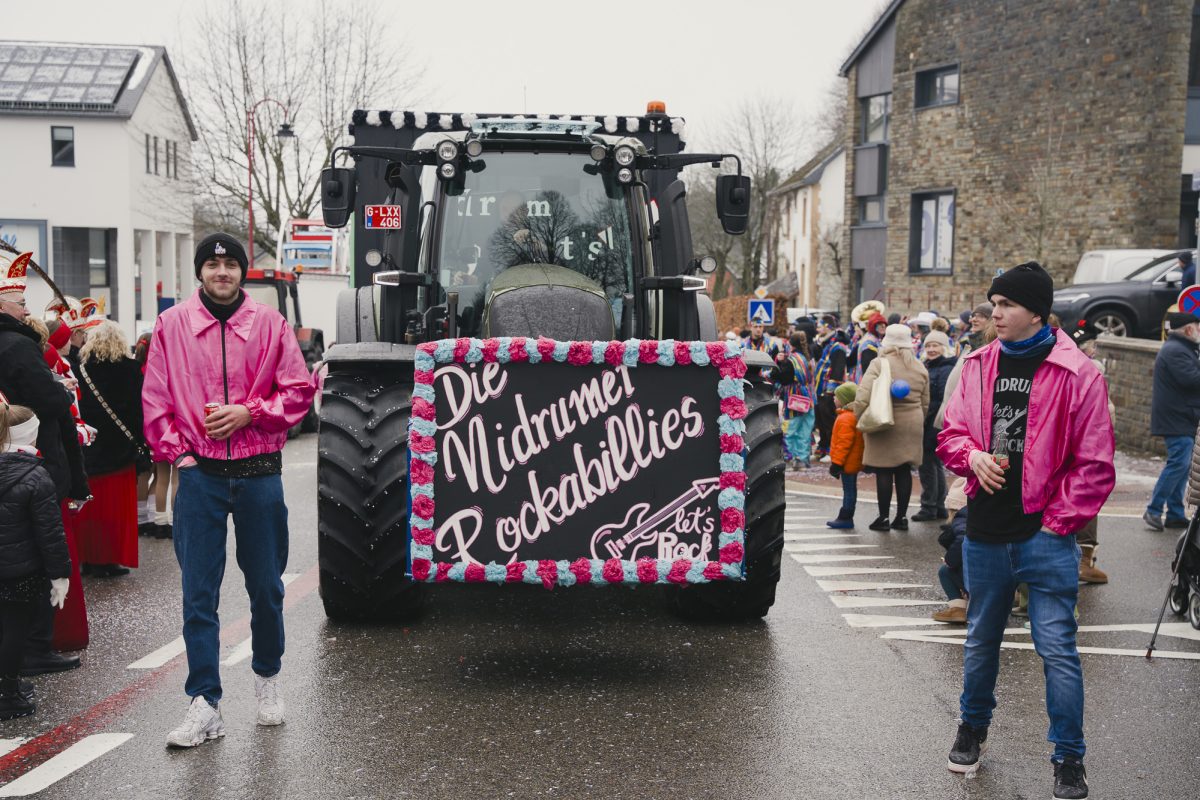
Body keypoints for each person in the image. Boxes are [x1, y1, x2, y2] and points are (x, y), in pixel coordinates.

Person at [937, 261, 1114, 799]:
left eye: (1007, 304)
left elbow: (1095, 464)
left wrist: (1055, 524)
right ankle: (971, 730)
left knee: (1057, 649)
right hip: (985, 533)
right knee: (980, 641)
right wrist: (972, 458)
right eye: (993, 303)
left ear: (1037, 311)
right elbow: (950, 434)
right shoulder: (976, 364)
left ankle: (1068, 760)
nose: (996, 313)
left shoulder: (1078, 372)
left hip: (1045, 536)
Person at [143, 233, 314, 748]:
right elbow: (156, 399)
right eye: (213, 264)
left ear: (243, 271)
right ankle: (204, 704)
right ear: (200, 272)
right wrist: (182, 455)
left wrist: (250, 412)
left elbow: (299, 390)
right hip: (201, 477)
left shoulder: (270, 324)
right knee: (199, 592)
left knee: (265, 585)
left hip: (260, 471)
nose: (222, 271)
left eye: (230, 264)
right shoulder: (171, 326)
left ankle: (267, 680)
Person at [0, 252, 86, 675]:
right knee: (31, 557)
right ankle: (34, 647)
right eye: (19, 302)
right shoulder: (16, 345)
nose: (26, 309)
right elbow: (49, 398)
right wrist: (61, 392)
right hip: (26, 456)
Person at [0, 397, 72, 719]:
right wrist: (60, 575)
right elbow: (50, 534)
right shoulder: (37, 477)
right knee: (15, 631)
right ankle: (8, 692)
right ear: (31, 435)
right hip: (21, 571)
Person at [75, 321, 143, 578]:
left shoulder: (80, 370)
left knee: (90, 506)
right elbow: (138, 410)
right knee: (117, 509)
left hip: (90, 447)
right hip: (120, 450)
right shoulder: (130, 369)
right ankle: (109, 558)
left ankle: (88, 557)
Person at [853, 324, 930, 531]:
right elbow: (925, 401)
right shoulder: (919, 366)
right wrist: (918, 419)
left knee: (884, 470)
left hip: (885, 420)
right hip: (912, 422)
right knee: (904, 470)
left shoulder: (880, 364)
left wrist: (860, 417)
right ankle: (902, 518)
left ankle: (884, 518)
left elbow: (863, 395)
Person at [1145, 311, 1200, 531]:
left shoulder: (1182, 349)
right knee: (1179, 463)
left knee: (1182, 464)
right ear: (1188, 329)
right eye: (1197, 327)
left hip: (1181, 416)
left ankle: (1176, 513)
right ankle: (1154, 509)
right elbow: (1191, 380)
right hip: (1176, 417)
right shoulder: (1176, 350)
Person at [1069, 323, 1112, 584]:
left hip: (1078, 445)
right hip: (1082, 448)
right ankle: (1082, 561)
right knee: (1085, 502)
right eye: (1093, 346)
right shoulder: (1087, 371)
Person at [914, 330, 957, 522]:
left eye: (935, 346)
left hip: (934, 421)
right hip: (933, 420)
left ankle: (929, 505)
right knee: (933, 463)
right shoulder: (932, 366)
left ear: (943, 347)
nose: (931, 349)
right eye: (928, 346)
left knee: (927, 464)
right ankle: (939, 505)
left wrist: (923, 412)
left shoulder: (945, 368)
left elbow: (939, 398)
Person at [826, 382, 864, 529]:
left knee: (849, 490)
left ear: (845, 399)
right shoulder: (851, 416)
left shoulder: (845, 418)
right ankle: (845, 516)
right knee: (850, 489)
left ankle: (846, 517)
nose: (834, 398)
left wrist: (836, 464)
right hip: (852, 461)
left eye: (837, 396)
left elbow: (843, 444)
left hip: (847, 462)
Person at [931, 478, 969, 623]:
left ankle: (957, 608)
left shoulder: (962, 519)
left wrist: (950, 561)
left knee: (945, 571)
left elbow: (962, 540)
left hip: (979, 576)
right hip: (1002, 579)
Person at [813, 317, 850, 461]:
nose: (817, 329)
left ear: (828, 327)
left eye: (820, 326)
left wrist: (830, 392)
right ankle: (823, 447)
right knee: (821, 421)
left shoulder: (838, 346)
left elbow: (838, 370)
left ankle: (831, 450)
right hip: (820, 389)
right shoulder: (826, 343)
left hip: (828, 391)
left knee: (829, 421)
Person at [779, 333, 815, 469]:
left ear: (791, 344)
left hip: (795, 396)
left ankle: (794, 457)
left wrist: (781, 363)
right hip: (808, 397)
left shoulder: (791, 360)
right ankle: (804, 459)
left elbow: (784, 379)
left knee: (792, 427)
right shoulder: (806, 358)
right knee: (805, 429)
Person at [854, 313, 886, 382]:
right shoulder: (869, 344)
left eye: (884, 324)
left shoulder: (875, 339)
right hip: (867, 385)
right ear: (873, 326)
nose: (883, 326)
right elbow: (868, 370)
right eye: (880, 324)